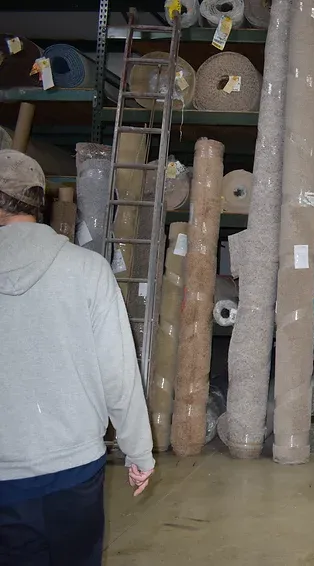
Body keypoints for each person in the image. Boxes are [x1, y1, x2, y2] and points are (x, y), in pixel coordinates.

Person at [0, 149, 155, 565]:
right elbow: (119, 374)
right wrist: (138, 451)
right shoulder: (87, 270)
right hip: (74, 465)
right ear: (41, 201)